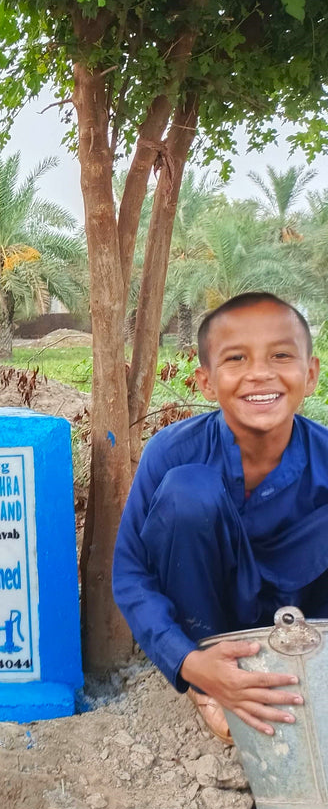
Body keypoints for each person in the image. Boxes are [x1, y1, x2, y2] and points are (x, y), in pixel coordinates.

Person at [113, 293, 327, 744]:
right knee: (188, 493)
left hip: (303, 620)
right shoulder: (171, 452)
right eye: (236, 358)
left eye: (281, 355)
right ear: (206, 382)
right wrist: (187, 661)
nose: (260, 372)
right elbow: (130, 574)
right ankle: (211, 680)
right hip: (207, 622)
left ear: (310, 374)